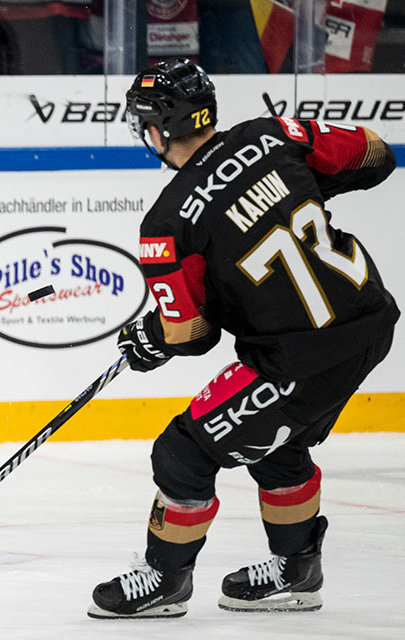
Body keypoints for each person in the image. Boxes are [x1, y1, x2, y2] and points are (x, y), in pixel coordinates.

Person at [88, 59, 398, 619]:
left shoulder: (167, 225)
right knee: (279, 442)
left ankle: (165, 580)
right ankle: (297, 570)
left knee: (182, 453)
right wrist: (296, 187)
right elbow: (376, 155)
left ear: (156, 130)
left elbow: (192, 332)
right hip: (369, 323)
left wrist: (150, 340)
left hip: (299, 355)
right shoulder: (273, 134)